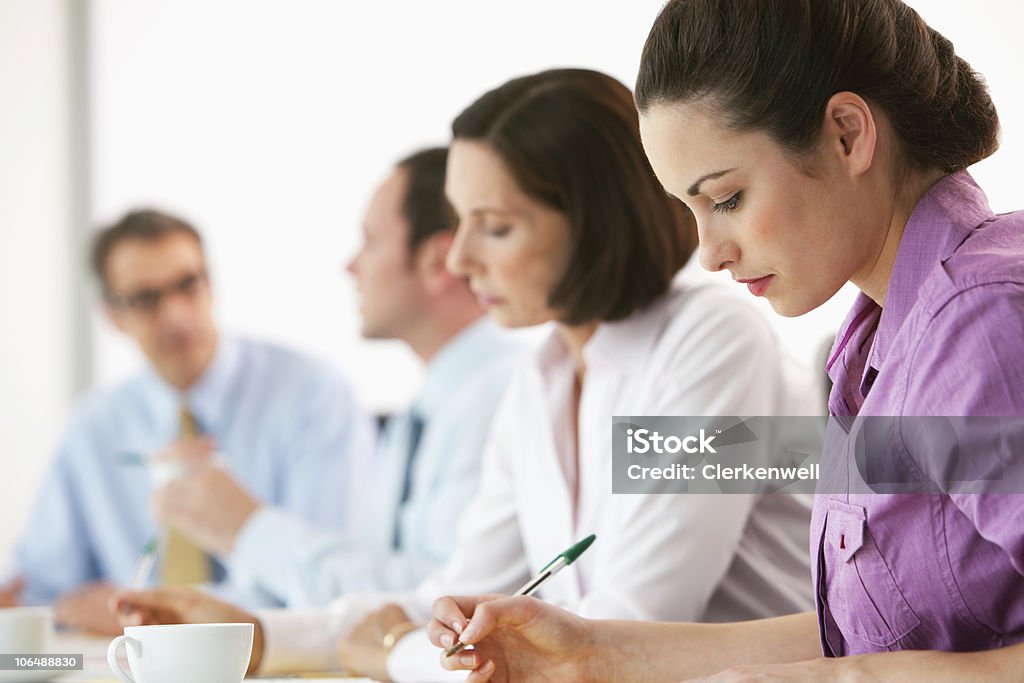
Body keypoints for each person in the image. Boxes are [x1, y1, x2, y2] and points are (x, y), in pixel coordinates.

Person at [113, 69, 817, 682]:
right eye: (460, 221)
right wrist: (254, 633)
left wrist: (392, 652)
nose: (458, 261)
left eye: (496, 226)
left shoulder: (711, 340)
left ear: (594, 222)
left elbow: (619, 630)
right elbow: (457, 593)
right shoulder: (540, 380)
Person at [426, 1, 1024, 681]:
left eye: (728, 198)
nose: (707, 253)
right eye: (690, 207)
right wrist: (593, 653)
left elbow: (662, 597)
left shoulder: (979, 322)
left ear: (848, 136)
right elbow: (874, 633)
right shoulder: (875, 343)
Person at [150, 148, 524, 608]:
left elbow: (446, 598)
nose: (351, 266)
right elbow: (378, 583)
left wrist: (247, 528)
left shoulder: (499, 397)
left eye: (369, 241)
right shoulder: (427, 408)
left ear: (436, 260)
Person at [1, 209, 375, 635]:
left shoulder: (313, 395)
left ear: (211, 284)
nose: (176, 315)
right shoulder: (94, 425)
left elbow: (329, 579)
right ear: (113, 316)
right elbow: (41, 585)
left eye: (187, 285)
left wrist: (159, 613)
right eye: (146, 299)